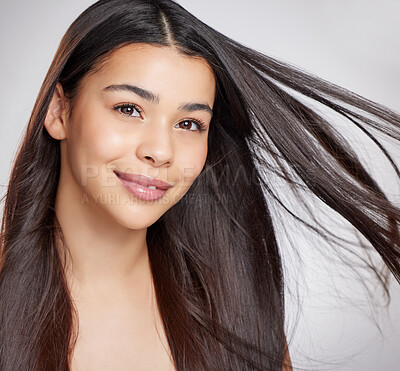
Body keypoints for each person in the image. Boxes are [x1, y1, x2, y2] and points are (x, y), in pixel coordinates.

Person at [0, 0, 399, 370]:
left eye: (188, 124)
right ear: (59, 111)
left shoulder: (234, 311)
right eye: (129, 109)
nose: (160, 151)